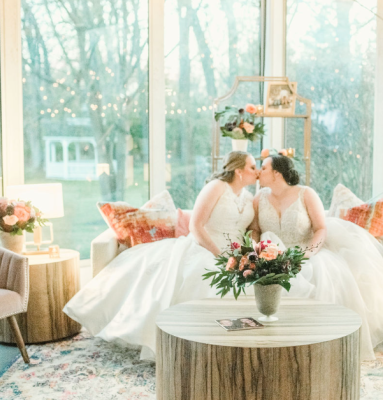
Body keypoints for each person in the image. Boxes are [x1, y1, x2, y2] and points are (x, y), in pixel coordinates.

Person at [63, 151, 258, 360]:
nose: (256, 172)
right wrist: (220, 256)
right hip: (205, 247)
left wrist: (249, 251)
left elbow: (251, 230)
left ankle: (236, 342)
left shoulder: (249, 197)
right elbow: (196, 226)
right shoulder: (217, 187)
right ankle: (195, 345)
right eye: (253, 167)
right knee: (202, 278)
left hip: (236, 253)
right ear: (239, 171)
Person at [250, 154, 383, 360]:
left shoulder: (306, 194)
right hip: (272, 253)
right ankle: (274, 337)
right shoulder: (259, 198)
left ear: (276, 173)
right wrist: (257, 249)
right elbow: (255, 229)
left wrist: (309, 252)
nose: (259, 172)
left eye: (263, 168)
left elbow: (320, 228)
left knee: (316, 275)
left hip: (307, 250)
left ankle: (313, 341)